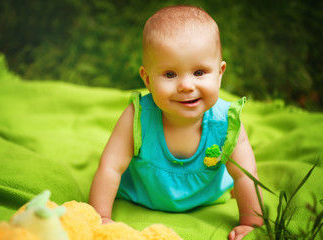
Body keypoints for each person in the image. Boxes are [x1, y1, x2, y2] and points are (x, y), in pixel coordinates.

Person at [89, 5, 263, 240]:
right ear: (147, 79)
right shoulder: (137, 117)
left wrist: (252, 222)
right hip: (140, 195)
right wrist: (101, 218)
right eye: (170, 74)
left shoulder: (226, 123)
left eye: (200, 72)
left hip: (207, 198)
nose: (187, 86)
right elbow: (110, 167)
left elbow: (245, 175)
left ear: (220, 73)